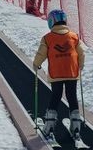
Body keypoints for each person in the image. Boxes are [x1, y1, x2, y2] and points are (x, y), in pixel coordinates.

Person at [32, 9, 85, 139]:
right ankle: (76, 125)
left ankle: (49, 125)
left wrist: (36, 64)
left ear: (52, 22)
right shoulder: (73, 36)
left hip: (56, 73)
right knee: (71, 95)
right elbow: (81, 52)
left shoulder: (47, 38)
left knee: (56, 96)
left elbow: (41, 54)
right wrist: (81, 65)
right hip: (72, 72)